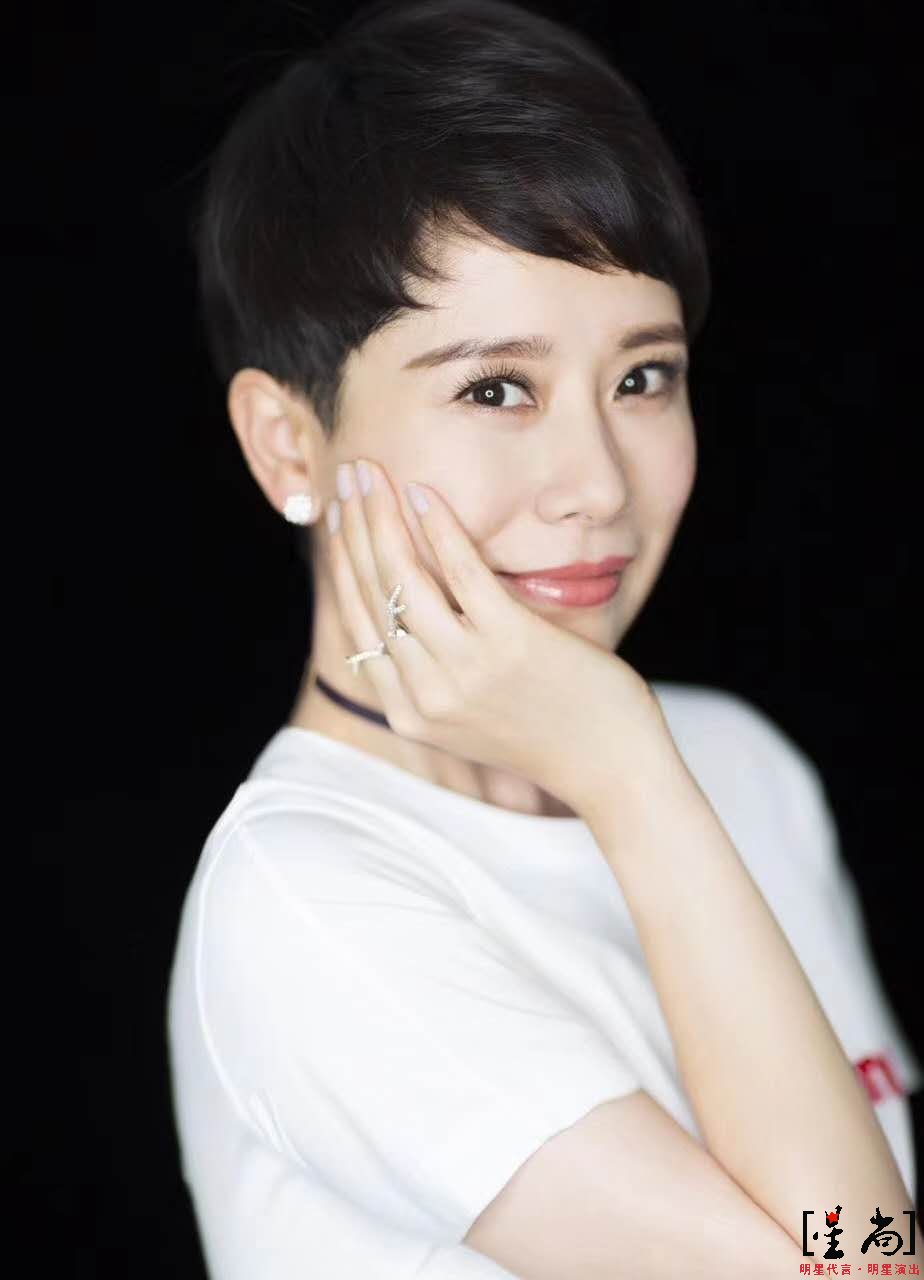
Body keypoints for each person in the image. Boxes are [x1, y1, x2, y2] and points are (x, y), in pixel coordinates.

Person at [166, 2, 921, 1277]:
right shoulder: (307, 903)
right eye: (496, 388)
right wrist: (628, 775)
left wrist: (641, 769)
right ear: (290, 443)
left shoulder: (740, 766)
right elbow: (856, 1260)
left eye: (643, 377)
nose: (598, 483)